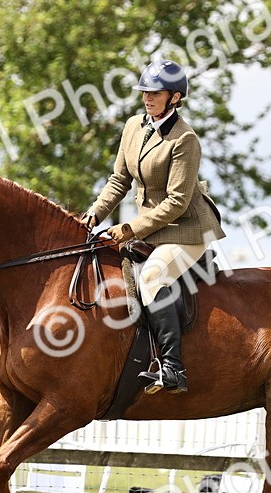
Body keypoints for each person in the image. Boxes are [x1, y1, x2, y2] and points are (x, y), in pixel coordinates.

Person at [83, 59, 225, 394]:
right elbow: (119, 180)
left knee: (151, 276)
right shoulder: (134, 126)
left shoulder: (184, 139)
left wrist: (130, 228)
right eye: (145, 91)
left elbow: (176, 201)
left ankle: (173, 368)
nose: (148, 97)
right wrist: (93, 215)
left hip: (187, 229)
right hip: (151, 227)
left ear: (175, 97)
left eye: (156, 92)